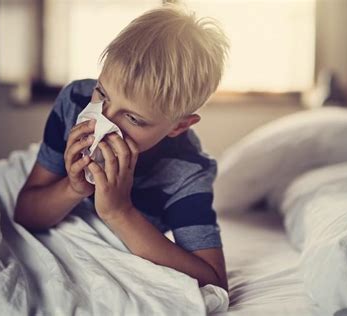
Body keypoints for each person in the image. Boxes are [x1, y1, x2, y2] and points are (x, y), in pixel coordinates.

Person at [14, 4, 229, 292]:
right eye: (102, 93)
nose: (103, 119)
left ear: (178, 127)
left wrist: (119, 212)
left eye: (133, 118)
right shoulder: (74, 101)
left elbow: (214, 280)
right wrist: (73, 188)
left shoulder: (186, 172)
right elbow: (25, 213)